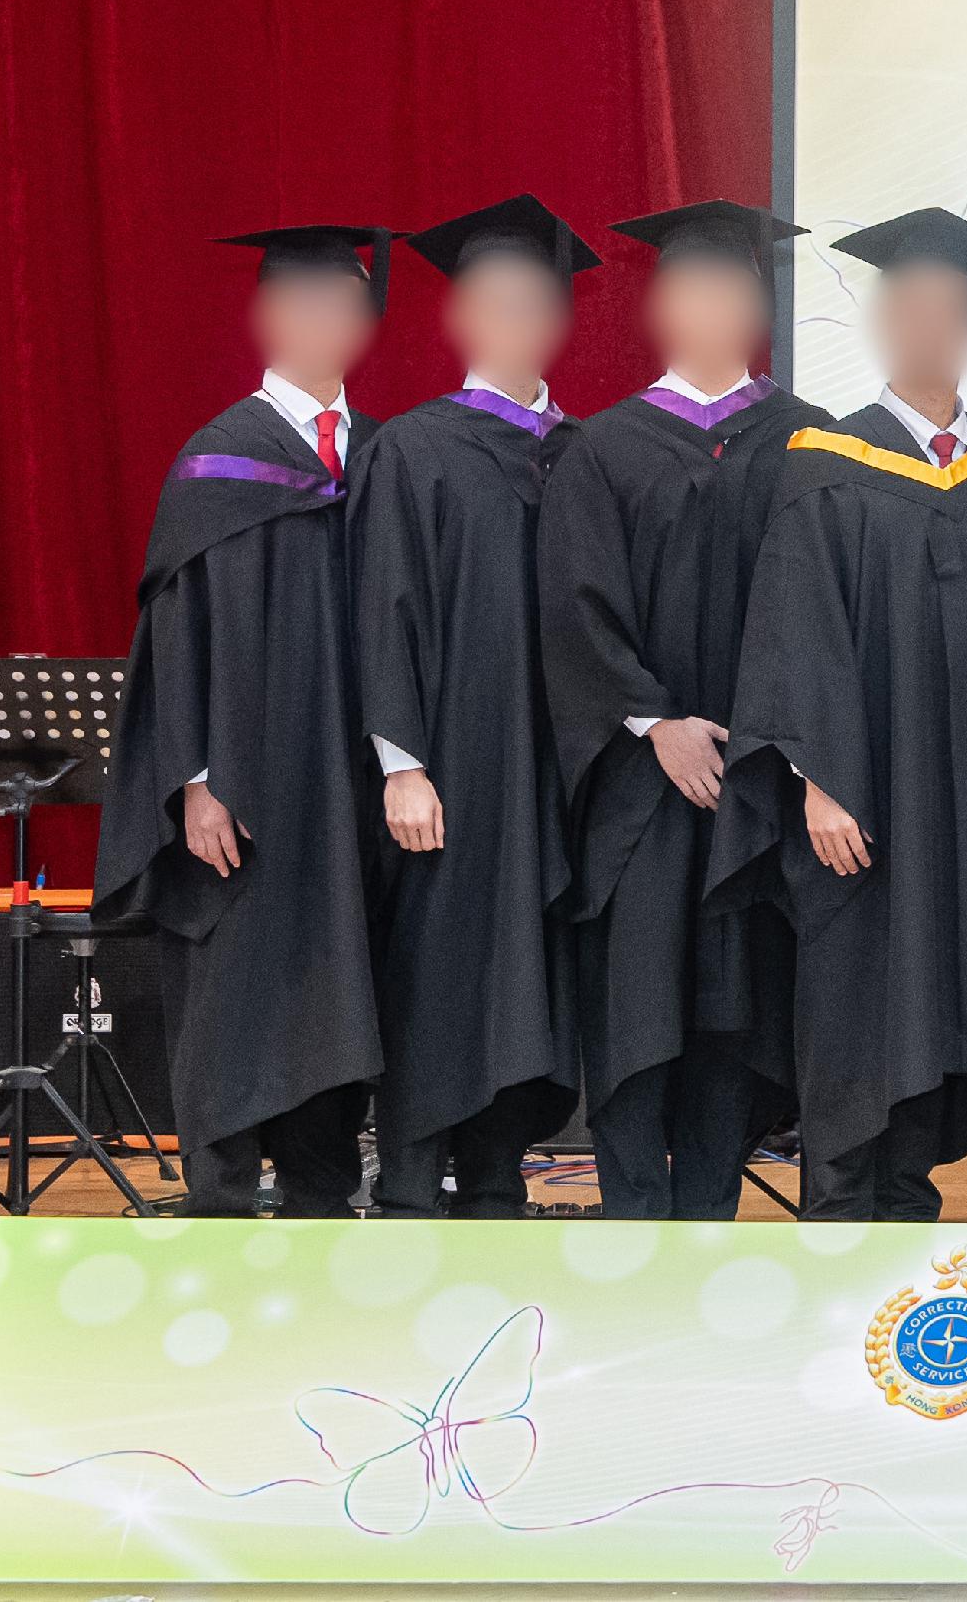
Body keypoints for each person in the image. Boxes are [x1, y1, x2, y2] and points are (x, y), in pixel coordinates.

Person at [715, 206, 967, 1222]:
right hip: (858, 805)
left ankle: (906, 1204)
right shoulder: (822, 464)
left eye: (952, 308)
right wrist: (815, 781)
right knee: (857, 1008)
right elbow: (792, 630)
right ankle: (840, 1214)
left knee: (947, 1010)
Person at [95, 224, 392, 1217]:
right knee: (231, 989)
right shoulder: (220, 459)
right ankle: (218, 1198)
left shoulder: (386, 458)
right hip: (248, 784)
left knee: (339, 980)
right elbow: (175, 632)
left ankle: (322, 1191)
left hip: (350, 788)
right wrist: (195, 782)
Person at [538, 201, 819, 1220]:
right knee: (637, 1010)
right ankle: (629, 1224)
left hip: (761, 787)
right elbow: (571, 609)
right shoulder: (605, 449)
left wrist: (767, 737)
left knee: (734, 1022)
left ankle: (709, 1222)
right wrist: (651, 723)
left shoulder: (808, 443)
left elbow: (825, 618)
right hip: (640, 798)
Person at [352, 194, 598, 1218]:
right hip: (453, 764)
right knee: (442, 974)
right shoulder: (414, 451)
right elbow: (383, 609)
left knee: (533, 978)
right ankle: (410, 1189)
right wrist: (401, 763)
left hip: (561, 772)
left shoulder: (589, 452)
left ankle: (499, 1184)